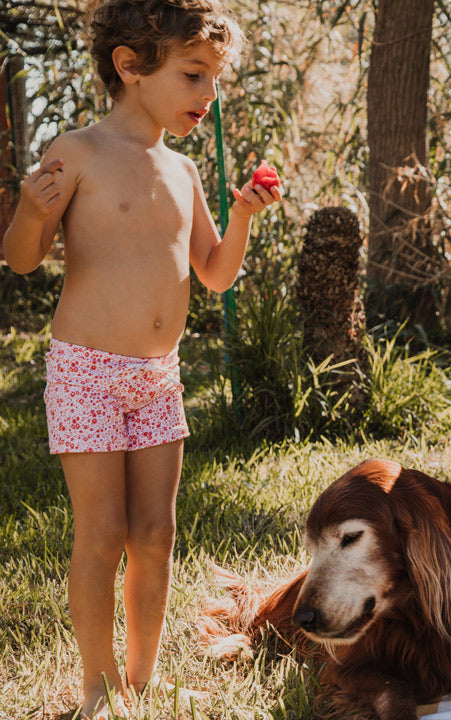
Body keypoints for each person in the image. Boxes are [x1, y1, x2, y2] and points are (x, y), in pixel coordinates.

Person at [1, 0, 281, 716]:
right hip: (87, 371)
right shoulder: (78, 150)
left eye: (213, 80)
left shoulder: (183, 172)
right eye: (194, 76)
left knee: (156, 533)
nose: (207, 96)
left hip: (159, 377)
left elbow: (215, 273)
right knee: (102, 534)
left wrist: (243, 214)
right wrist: (31, 212)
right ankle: (96, 686)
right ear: (129, 67)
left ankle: (142, 678)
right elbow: (23, 260)